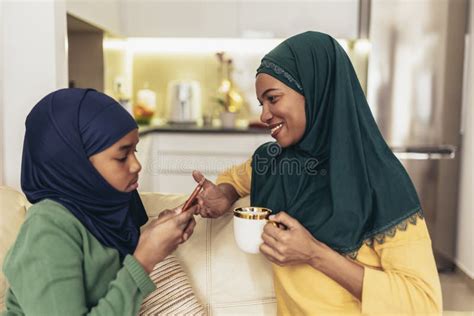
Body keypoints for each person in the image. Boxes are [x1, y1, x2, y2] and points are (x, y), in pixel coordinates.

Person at [192, 31, 442, 314]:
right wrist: (222, 196)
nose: (263, 115)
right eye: (262, 103)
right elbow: (233, 180)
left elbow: (424, 304)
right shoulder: (272, 163)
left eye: (273, 98)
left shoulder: (383, 182)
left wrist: (313, 253)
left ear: (315, 91)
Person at [2, 88, 196, 315]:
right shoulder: (48, 229)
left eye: (135, 151)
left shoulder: (111, 213)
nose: (136, 165)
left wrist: (156, 236)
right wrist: (145, 258)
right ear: (75, 163)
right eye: (122, 156)